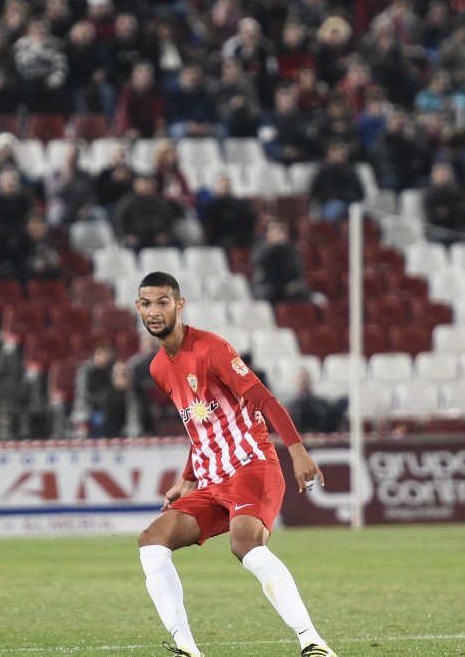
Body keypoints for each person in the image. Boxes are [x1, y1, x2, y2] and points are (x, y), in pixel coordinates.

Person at [133, 271, 336, 657]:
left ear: (180, 305)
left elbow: (265, 400)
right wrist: (188, 477)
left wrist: (297, 450)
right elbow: (200, 426)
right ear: (137, 308)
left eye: (163, 302)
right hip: (210, 479)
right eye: (146, 303)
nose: (154, 311)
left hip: (250, 465)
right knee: (151, 542)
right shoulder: (158, 368)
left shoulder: (212, 349)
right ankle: (187, 649)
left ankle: (312, 642)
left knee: (245, 543)